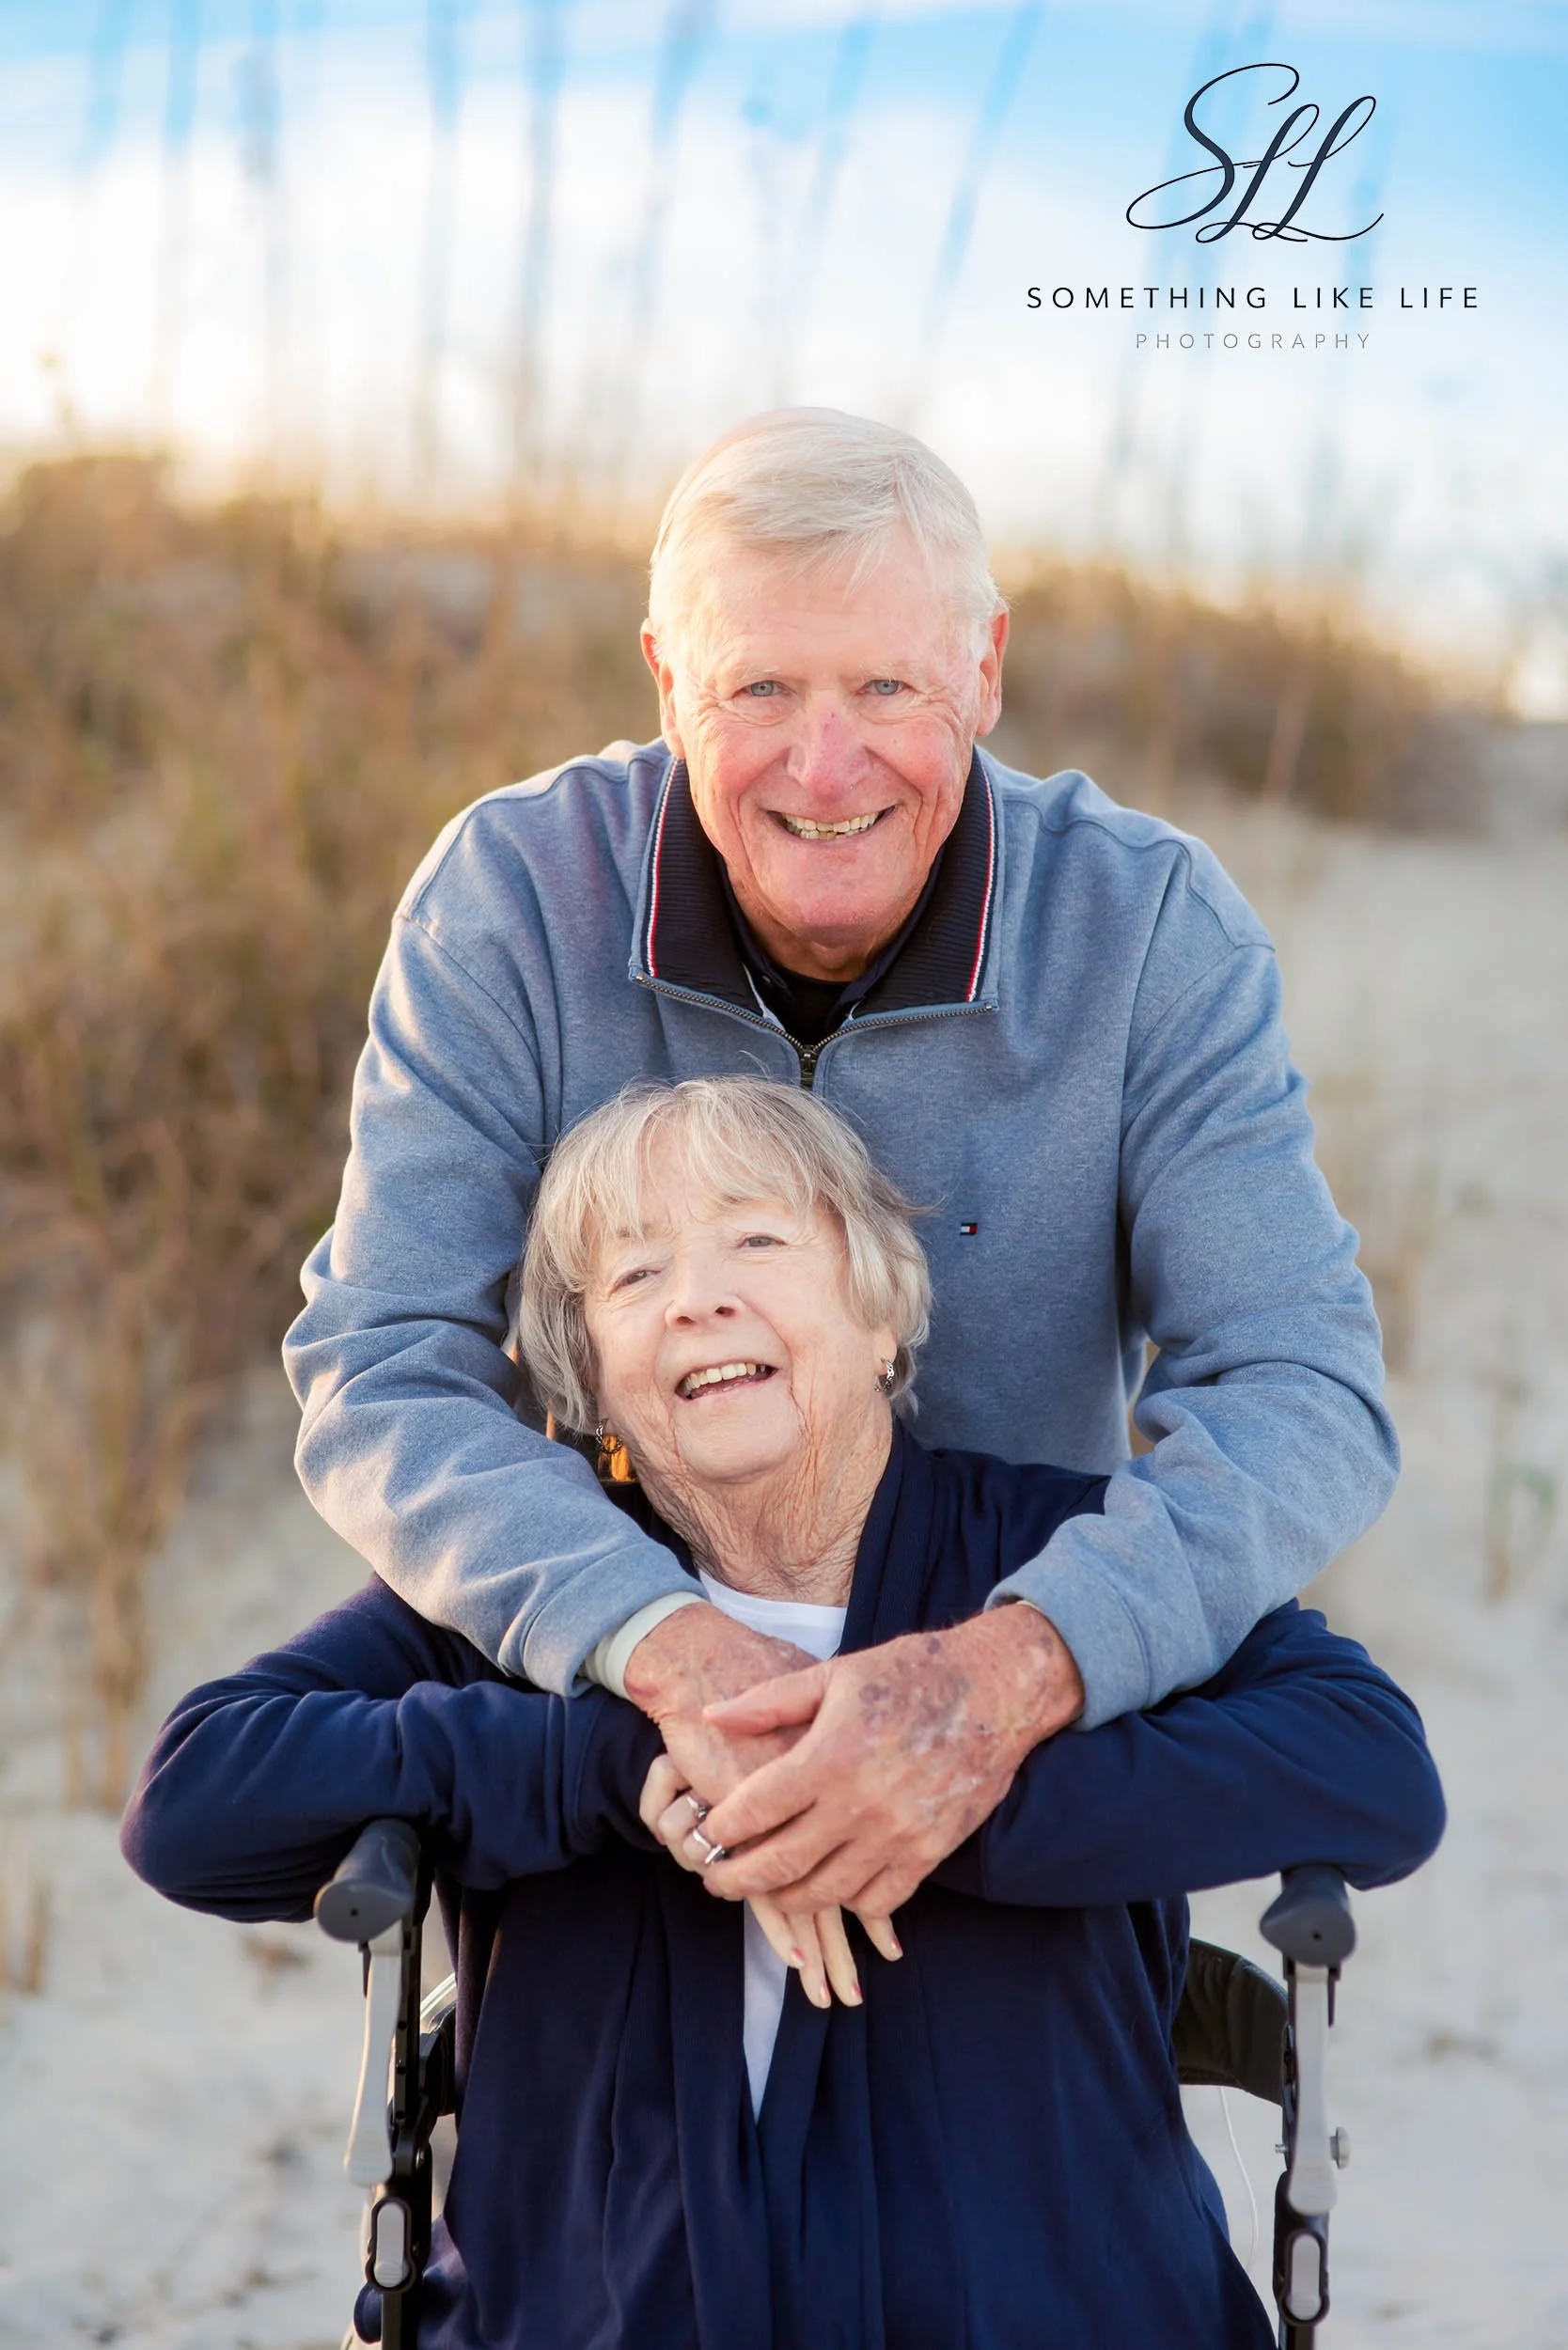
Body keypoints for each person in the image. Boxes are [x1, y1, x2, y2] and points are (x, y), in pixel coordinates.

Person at [282, 407, 1400, 1922]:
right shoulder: (512, 898)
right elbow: (382, 1358)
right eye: (759, 687)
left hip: (1025, 1772)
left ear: (986, 671)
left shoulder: (1148, 932)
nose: (827, 764)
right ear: (670, 682)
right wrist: (663, 1647)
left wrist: (1008, 1678)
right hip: (646, 1771)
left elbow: (1300, 1383)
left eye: (888, 684)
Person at [126, 1080, 1443, 2349]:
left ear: (884, 1316)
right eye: (633, 1277)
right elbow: (194, 1807)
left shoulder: (1054, 1571)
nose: (697, 1298)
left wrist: (950, 1771)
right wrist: (608, 1765)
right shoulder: (515, 1601)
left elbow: (1374, 1768)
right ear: (589, 1383)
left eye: (756, 1239)